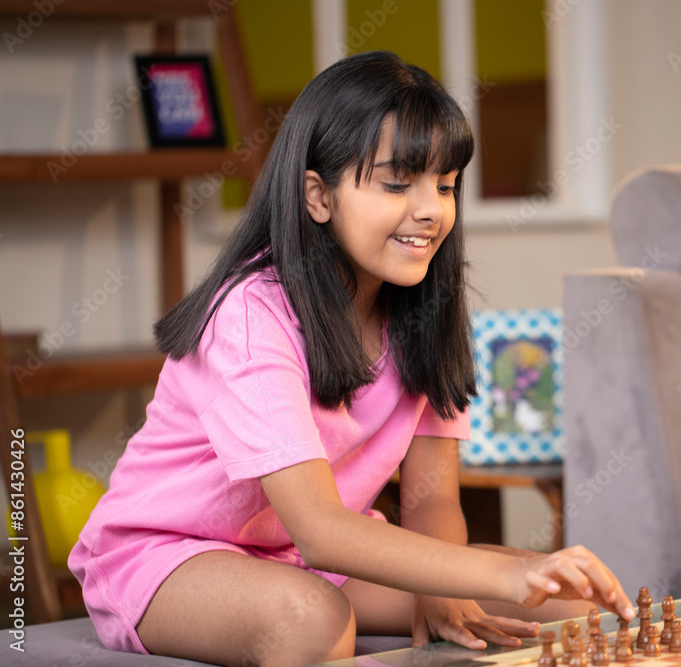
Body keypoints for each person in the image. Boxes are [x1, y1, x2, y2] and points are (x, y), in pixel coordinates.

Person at [69, 50, 633, 667]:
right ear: (318, 196)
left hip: (301, 556)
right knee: (312, 620)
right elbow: (320, 529)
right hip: (169, 553)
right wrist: (485, 577)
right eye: (397, 183)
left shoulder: (425, 309)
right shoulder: (251, 314)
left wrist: (442, 587)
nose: (430, 210)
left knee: (571, 604)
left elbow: (431, 501)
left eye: (444, 185)